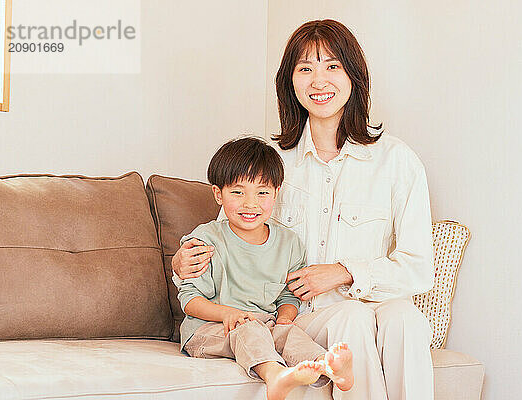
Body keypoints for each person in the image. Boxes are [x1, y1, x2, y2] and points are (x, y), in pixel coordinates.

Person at [173, 19, 434, 400]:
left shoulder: (397, 161)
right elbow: (230, 237)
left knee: (406, 319)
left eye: (332, 66)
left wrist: (345, 273)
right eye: (305, 69)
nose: (319, 81)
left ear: (354, 76)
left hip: (377, 301)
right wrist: (185, 263)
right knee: (352, 316)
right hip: (300, 318)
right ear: (290, 82)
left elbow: (418, 268)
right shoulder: (272, 163)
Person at [173, 136, 354, 400]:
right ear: (218, 194)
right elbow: (189, 300)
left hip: (262, 326)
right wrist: (229, 314)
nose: (250, 203)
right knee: (249, 328)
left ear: (276, 194)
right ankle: (274, 376)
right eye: (238, 192)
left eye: (262, 192)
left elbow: (287, 295)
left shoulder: (289, 243)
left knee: (289, 332)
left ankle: (327, 366)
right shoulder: (206, 239)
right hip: (206, 330)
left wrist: (285, 317)